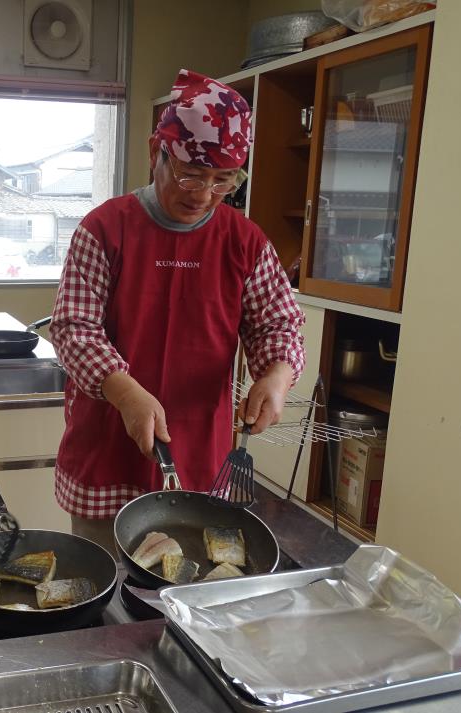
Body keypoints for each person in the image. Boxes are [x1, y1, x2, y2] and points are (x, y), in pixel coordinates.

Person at [50, 69, 305, 553]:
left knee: (188, 589)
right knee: (105, 593)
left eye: (222, 180)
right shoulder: (105, 229)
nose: (203, 194)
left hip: (199, 451)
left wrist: (276, 377)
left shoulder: (244, 242)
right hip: (108, 445)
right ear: (156, 152)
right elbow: (73, 328)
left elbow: (278, 323)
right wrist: (125, 393)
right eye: (190, 173)